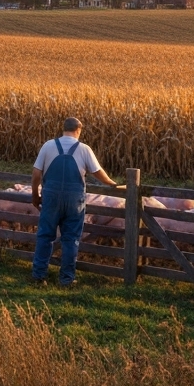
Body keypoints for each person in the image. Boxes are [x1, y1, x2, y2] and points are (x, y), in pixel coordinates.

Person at [31, 117, 122, 286]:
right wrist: (112, 184)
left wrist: (35, 196)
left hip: (50, 197)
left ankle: (38, 276)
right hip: (74, 200)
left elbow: (36, 174)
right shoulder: (84, 149)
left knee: (45, 236)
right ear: (78, 130)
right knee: (71, 239)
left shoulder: (48, 146)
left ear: (63, 129)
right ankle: (66, 279)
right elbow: (97, 172)